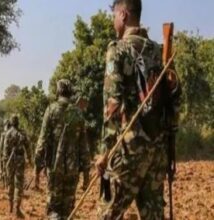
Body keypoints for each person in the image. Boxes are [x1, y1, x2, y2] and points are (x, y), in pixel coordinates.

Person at [96, 0, 181, 219]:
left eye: (114, 15)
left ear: (123, 15)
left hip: (128, 150)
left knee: (108, 214)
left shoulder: (117, 50)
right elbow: (174, 102)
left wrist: (106, 152)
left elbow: (112, 105)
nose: (114, 21)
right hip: (157, 150)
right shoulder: (160, 52)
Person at [34, 79, 90, 220]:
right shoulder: (78, 113)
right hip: (73, 170)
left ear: (58, 91)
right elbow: (84, 146)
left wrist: (37, 168)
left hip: (54, 169)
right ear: (70, 92)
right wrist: (86, 175)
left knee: (54, 209)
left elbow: (42, 141)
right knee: (68, 210)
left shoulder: (51, 110)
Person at [3, 115, 32, 218]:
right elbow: (28, 147)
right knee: (18, 184)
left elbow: (5, 151)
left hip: (10, 162)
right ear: (18, 122)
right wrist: (30, 159)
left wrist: (4, 165)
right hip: (20, 160)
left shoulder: (8, 134)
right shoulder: (22, 133)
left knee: (10, 183)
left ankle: (10, 206)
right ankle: (17, 207)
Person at [0, 119, 11, 187]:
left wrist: (1, 154)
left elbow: (1, 146)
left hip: (5, 155)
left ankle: (4, 183)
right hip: (10, 155)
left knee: (3, 169)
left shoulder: (4, 134)